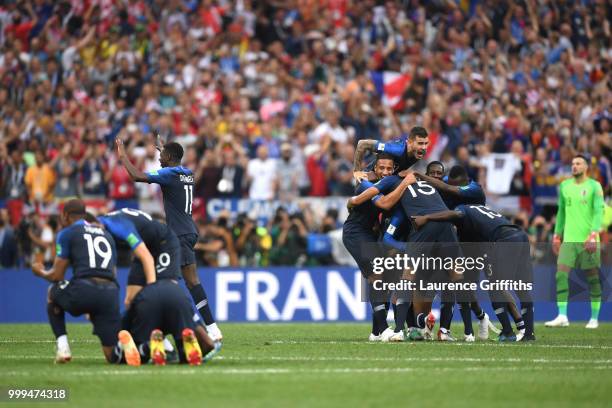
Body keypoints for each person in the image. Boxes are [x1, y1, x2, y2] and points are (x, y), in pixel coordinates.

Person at [116, 137, 222, 341]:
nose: (159, 159)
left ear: (171, 157)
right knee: (190, 282)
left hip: (178, 235)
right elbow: (173, 160)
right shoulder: (187, 173)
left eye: (162, 155)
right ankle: (211, 328)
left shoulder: (169, 174)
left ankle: (173, 332)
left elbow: (137, 176)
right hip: (189, 231)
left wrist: (123, 156)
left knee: (164, 281)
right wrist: (165, 148)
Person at [91, 209, 219, 365]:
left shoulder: (118, 225)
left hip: (164, 243)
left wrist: (152, 291)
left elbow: (146, 256)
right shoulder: (101, 230)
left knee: (167, 291)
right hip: (145, 248)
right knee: (131, 301)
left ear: (98, 224)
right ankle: (165, 347)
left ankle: (205, 338)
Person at [412, 202, 536, 342]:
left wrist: (427, 217)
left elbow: (457, 214)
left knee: (495, 287)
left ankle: (507, 332)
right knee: (522, 288)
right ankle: (529, 334)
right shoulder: (479, 212)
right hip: (520, 235)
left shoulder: (462, 210)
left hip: (504, 240)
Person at [30, 199, 125, 364]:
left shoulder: (67, 233)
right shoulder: (107, 234)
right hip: (110, 293)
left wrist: (40, 272)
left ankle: (63, 348)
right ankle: (141, 350)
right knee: (112, 357)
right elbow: (113, 272)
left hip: (84, 289)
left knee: (52, 291)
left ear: (65, 215)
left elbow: (57, 276)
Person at [342, 153, 415, 341]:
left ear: (393, 170)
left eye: (388, 169)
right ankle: (383, 329)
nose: (384, 172)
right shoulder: (366, 184)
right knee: (375, 275)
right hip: (355, 233)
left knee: (386, 278)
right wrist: (405, 183)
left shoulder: (389, 184)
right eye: (381, 168)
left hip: (371, 234)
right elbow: (384, 203)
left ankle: (376, 331)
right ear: (375, 169)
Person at [546, 155, 605, 329]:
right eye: (572, 163)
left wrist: (593, 234)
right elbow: (561, 213)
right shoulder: (565, 186)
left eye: (578, 163)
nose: (574, 166)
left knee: (592, 279)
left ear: (586, 167)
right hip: (569, 241)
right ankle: (562, 315)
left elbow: (597, 212)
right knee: (561, 275)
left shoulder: (595, 186)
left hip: (589, 240)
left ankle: (594, 318)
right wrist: (557, 235)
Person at [352, 126, 429, 180]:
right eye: (420, 143)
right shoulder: (397, 149)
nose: (424, 147)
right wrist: (357, 171)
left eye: (426, 143)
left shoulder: (418, 152)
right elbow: (362, 144)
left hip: (386, 180)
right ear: (410, 142)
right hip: (369, 179)